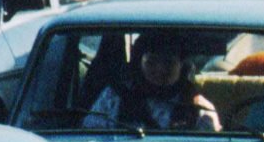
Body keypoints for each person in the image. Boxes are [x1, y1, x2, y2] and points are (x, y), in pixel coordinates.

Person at [88, 33, 222, 132]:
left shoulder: (199, 109)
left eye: (169, 62)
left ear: (182, 66)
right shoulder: (113, 98)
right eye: (151, 62)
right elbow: (89, 137)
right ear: (139, 64)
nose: (160, 70)